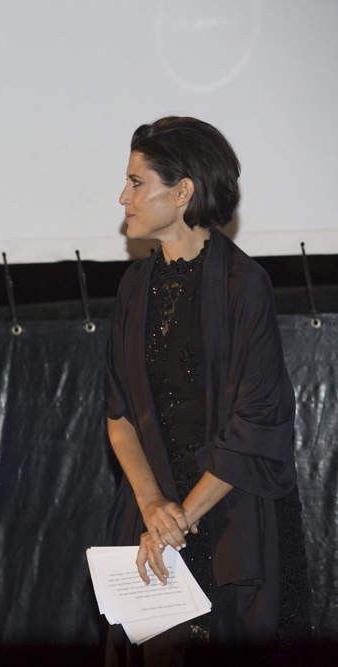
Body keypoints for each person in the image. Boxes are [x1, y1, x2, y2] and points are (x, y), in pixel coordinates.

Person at [104, 116, 307, 664]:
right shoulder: (133, 286)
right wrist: (152, 506)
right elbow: (119, 416)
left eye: (136, 182)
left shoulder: (244, 286)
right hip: (156, 518)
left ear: (183, 191)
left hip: (230, 515)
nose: (122, 196)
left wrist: (180, 520)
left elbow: (256, 423)